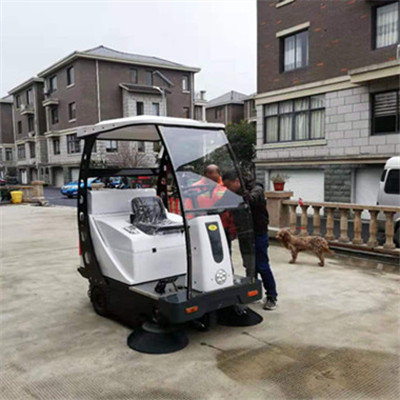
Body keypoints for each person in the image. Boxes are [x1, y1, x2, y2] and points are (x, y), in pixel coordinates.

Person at [222, 170, 278, 310]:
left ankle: (271, 296)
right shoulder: (231, 194)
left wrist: (244, 196)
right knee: (249, 264)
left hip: (258, 233)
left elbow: (252, 198)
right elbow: (221, 206)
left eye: (228, 186)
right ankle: (252, 291)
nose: (227, 189)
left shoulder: (256, 188)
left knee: (262, 265)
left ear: (236, 181)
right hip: (244, 233)